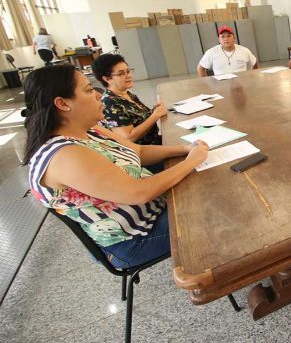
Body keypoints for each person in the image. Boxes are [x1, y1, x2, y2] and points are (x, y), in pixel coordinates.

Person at [22, 64, 208, 269]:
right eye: (88, 90)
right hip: (137, 236)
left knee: (208, 185)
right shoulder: (63, 155)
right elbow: (139, 193)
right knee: (215, 211)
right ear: (63, 103)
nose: (98, 95)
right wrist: (192, 161)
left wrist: (185, 149)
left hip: (153, 209)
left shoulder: (89, 129)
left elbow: (138, 151)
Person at [91, 53, 166, 146]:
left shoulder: (125, 93)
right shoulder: (110, 103)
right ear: (107, 79)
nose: (129, 75)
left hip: (155, 143)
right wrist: (155, 116)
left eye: (128, 71)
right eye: (121, 73)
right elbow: (129, 137)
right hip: (145, 153)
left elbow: (137, 120)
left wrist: (153, 111)